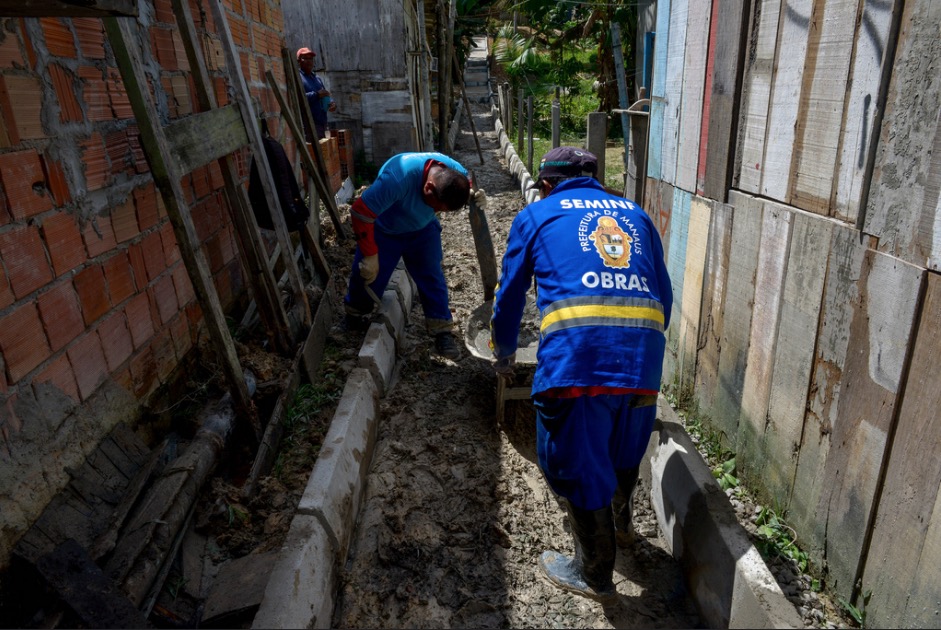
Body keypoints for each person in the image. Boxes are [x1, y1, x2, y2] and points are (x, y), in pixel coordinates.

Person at [489, 147, 673, 603]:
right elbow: (663, 295)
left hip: (578, 363)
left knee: (578, 463)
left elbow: (510, 297)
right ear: (595, 177)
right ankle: (624, 527)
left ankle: (593, 574)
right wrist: (636, 352)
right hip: (643, 360)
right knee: (624, 447)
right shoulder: (636, 215)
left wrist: (506, 353)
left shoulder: (537, 215)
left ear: (547, 184)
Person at [345, 152, 487, 359]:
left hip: (422, 230)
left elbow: (467, 182)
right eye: (437, 207)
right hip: (386, 231)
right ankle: (354, 315)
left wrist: (473, 194)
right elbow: (360, 212)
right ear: (429, 187)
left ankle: (442, 331)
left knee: (432, 276)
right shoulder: (397, 178)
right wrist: (370, 254)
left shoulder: (455, 173)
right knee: (368, 276)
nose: (439, 211)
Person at [297, 47, 336, 140]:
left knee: (324, 151)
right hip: (308, 125)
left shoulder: (316, 78)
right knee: (313, 153)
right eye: (305, 58)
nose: (309, 61)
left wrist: (332, 103)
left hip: (322, 123)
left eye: (311, 59)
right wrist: (316, 95)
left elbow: (325, 94)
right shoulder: (298, 77)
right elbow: (298, 98)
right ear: (299, 61)